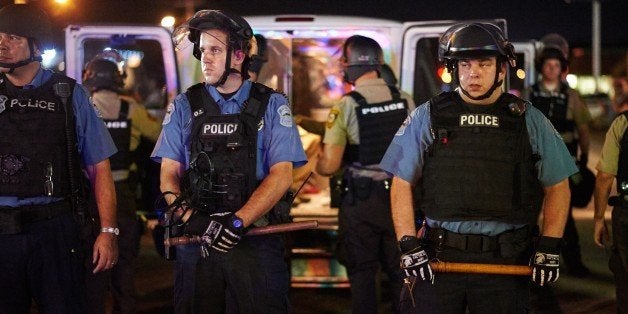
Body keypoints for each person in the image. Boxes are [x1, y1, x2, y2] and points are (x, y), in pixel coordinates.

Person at [380, 23, 577, 313]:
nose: (474, 72)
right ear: (454, 68)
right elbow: (401, 181)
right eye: (465, 64)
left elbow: (558, 186)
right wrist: (408, 244)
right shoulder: (428, 116)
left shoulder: (528, 120)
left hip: (507, 260)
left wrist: (549, 245)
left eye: (484, 63)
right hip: (439, 259)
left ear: (501, 70)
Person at [151, 10, 306, 313]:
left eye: (215, 50)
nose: (204, 58)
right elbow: (168, 176)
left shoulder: (271, 105)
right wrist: (195, 221)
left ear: (238, 55)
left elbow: (282, 176)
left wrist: (236, 222)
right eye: (202, 50)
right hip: (197, 242)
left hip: (254, 241)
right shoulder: (185, 105)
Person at [0, 3, 118, 313]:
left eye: (12, 37)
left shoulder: (68, 95)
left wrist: (108, 231)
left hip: (54, 229)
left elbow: (99, 167)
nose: (2, 45)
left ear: (36, 45)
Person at [316, 35, 412, 313]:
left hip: (361, 204)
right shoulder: (404, 99)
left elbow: (330, 166)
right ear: (377, 64)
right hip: (400, 200)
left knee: (363, 275)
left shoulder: (346, 105)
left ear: (351, 65)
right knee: (401, 274)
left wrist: (317, 161)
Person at [82, 51, 162, 314]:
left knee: (87, 262)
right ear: (119, 79)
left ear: (89, 78)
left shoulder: (79, 107)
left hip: (86, 195)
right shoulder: (132, 110)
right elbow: (160, 136)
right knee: (124, 261)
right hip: (122, 194)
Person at [524, 39, 593, 277]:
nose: (551, 69)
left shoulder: (571, 96)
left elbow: (583, 129)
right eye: (548, 64)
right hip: (534, 162)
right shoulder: (529, 94)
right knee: (530, 214)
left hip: (563, 165)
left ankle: (574, 263)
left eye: (556, 65)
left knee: (566, 216)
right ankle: (526, 263)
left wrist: (582, 160)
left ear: (561, 68)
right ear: (541, 66)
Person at [593, 111, 628, 313]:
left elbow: (605, 177)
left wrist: (599, 218)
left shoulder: (623, 123)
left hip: (626, 211)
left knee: (624, 277)